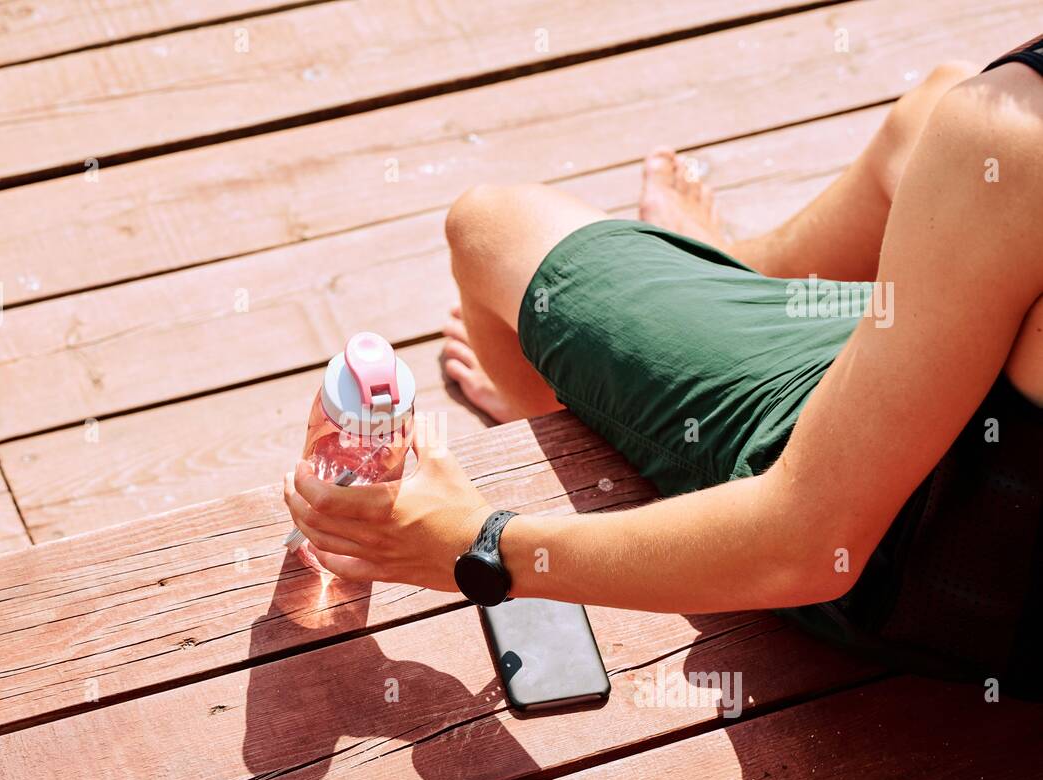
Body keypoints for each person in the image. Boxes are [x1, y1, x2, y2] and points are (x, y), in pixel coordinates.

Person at [284, 44, 1043, 694]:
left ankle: (559, 423)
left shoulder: (1013, 133)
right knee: (934, 109)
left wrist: (477, 544)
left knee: (491, 225)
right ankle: (723, 269)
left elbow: (809, 547)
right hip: (969, 390)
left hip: (919, 551)